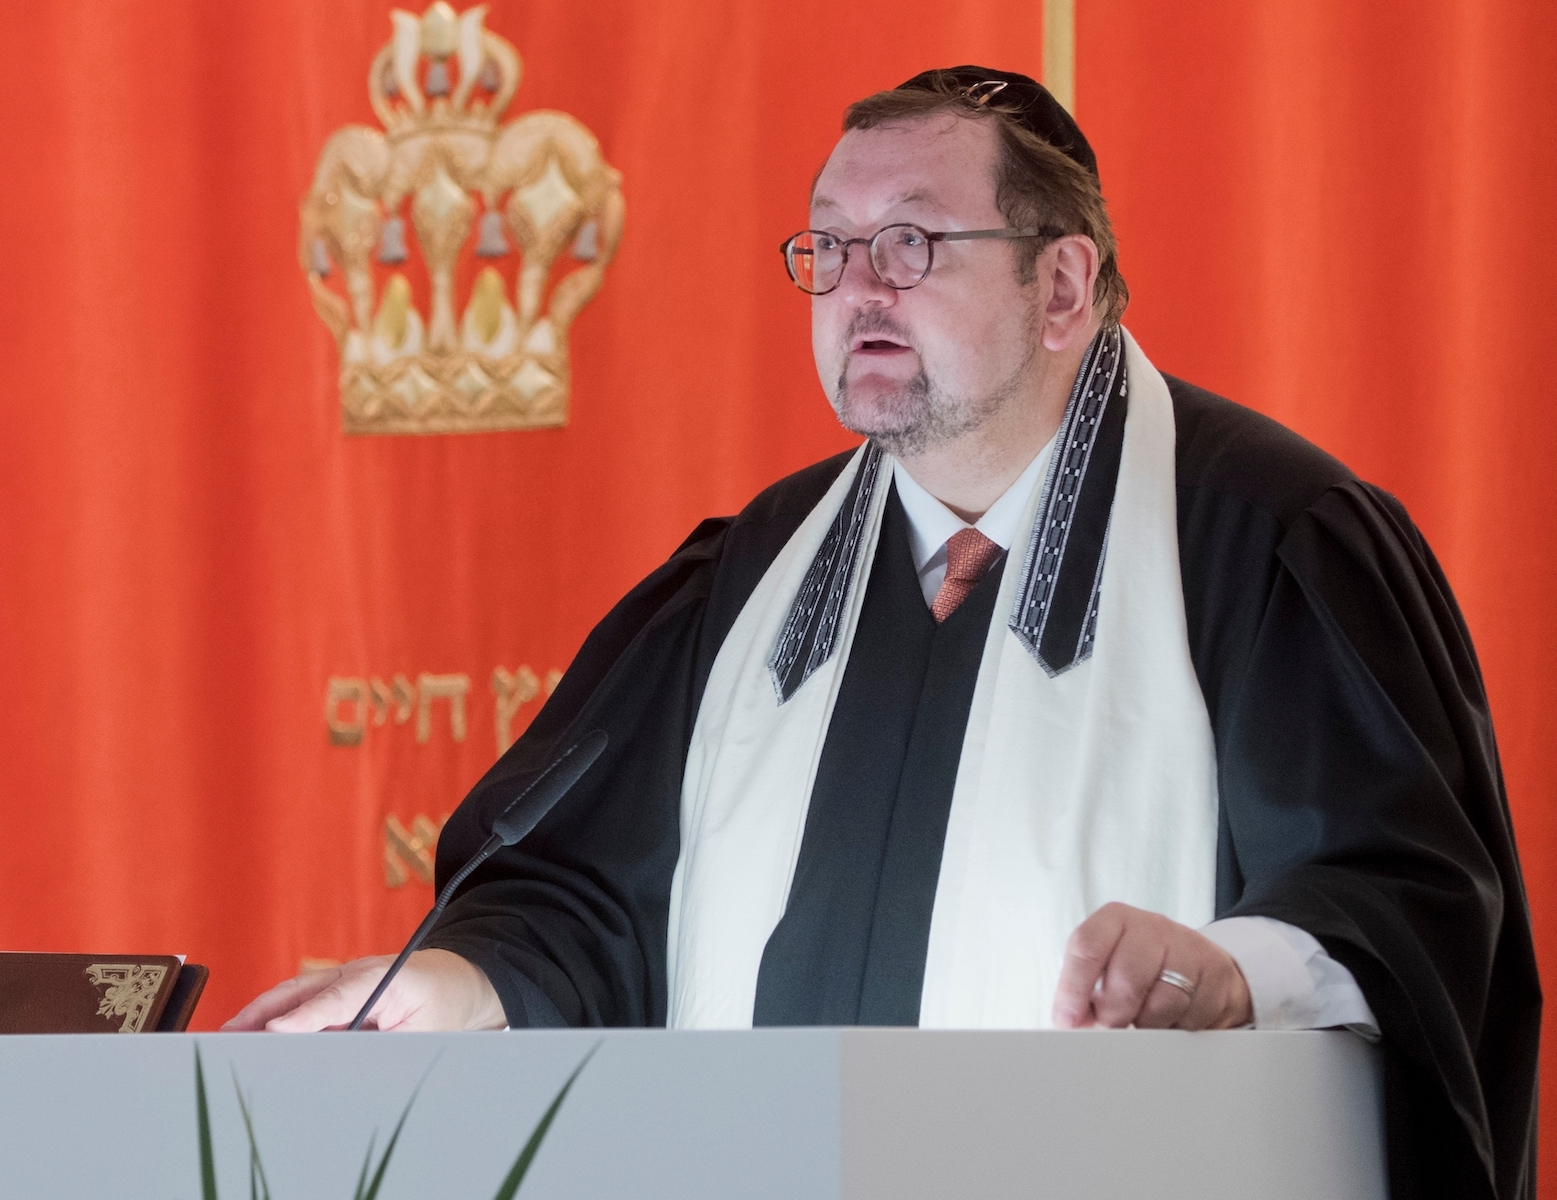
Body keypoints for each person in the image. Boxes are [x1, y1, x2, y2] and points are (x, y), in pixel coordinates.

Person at [227, 67, 1537, 1198]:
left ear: (1063, 283)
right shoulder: (753, 576)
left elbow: (1407, 898)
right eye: (828, 249)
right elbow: (586, 900)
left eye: (912, 244)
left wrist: (1230, 974)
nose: (857, 288)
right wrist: (449, 993)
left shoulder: (1264, 540)